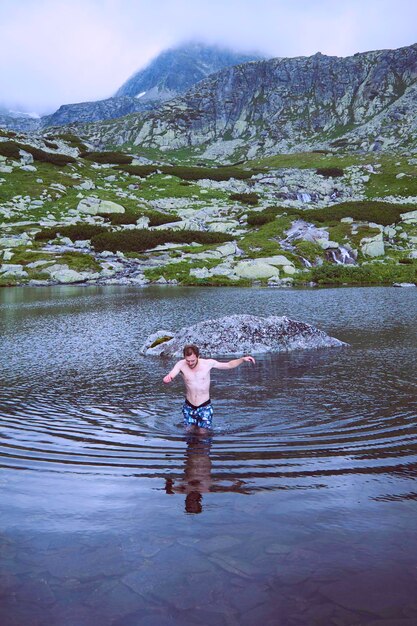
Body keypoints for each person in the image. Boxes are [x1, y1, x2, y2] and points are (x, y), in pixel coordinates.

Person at [163, 344, 255, 432]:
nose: (190, 363)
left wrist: (242, 359)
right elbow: (172, 374)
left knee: (203, 434)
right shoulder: (181, 364)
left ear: (198, 356)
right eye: (188, 360)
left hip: (204, 406)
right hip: (189, 406)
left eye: (193, 360)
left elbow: (228, 365)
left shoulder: (208, 364)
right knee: (189, 433)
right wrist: (168, 378)